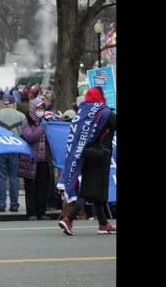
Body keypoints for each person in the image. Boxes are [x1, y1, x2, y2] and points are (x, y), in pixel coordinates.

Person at [58, 87, 117, 236]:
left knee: (96, 190)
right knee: (88, 191)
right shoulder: (105, 112)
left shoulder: (82, 111)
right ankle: (68, 219)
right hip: (101, 155)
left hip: (86, 154)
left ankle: (103, 224)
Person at [20, 97, 53, 221]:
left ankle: (42, 212)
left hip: (44, 161)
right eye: (39, 108)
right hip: (30, 161)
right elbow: (30, 137)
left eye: (42, 108)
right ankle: (32, 213)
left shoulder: (45, 121)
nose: (41, 111)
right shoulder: (26, 122)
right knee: (31, 188)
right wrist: (42, 128)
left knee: (43, 188)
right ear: (33, 108)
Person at [0, 95, 25, 213]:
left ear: (4, 104)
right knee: (14, 178)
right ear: (13, 103)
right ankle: (14, 205)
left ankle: (1, 205)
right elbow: (24, 134)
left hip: (0, 148)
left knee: (1, 178)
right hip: (15, 149)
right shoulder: (21, 115)